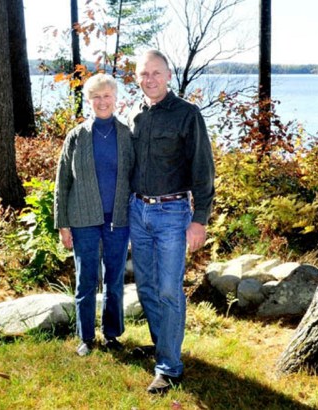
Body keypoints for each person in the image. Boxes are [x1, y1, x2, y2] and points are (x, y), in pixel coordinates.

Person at [128, 49, 215, 394]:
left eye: (156, 73)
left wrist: (200, 219)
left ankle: (169, 368)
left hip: (172, 213)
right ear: (136, 78)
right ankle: (163, 346)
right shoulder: (134, 114)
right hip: (138, 211)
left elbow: (203, 171)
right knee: (147, 288)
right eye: (143, 74)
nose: (149, 79)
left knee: (168, 289)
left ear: (168, 75)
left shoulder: (187, 115)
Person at [54, 73, 134, 357]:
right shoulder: (76, 136)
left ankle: (111, 334)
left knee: (114, 279)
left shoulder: (126, 134)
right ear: (88, 101)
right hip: (83, 220)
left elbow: (134, 178)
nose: (102, 102)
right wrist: (62, 224)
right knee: (86, 279)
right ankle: (86, 337)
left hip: (118, 220)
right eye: (96, 97)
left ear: (116, 99)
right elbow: (62, 182)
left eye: (107, 96)